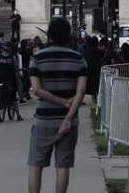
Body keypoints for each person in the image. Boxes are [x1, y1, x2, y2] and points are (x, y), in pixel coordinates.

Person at [28, 18, 87, 193]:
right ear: (68, 36)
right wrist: (68, 114)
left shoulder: (37, 58)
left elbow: (37, 90)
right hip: (68, 121)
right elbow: (81, 91)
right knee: (63, 166)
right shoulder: (78, 59)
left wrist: (61, 101)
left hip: (43, 120)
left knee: (35, 165)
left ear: (50, 35)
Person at [0, 41, 23, 122]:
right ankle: (18, 115)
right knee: (13, 98)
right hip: (10, 80)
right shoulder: (13, 58)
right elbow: (16, 69)